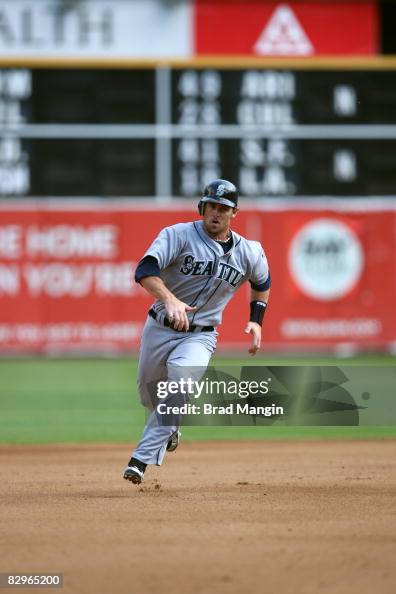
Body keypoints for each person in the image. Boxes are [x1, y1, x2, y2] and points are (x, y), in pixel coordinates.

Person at [123, 179, 271, 484]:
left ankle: (140, 460)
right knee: (149, 398)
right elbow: (144, 270)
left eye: (224, 208)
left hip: (201, 335)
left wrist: (256, 319)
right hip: (159, 328)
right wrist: (169, 298)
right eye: (211, 206)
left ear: (234, 214)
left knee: (179, 385)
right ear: (202, 208)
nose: (216, 213)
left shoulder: (250, 252)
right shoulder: (176, 235)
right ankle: (171, 427)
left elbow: (262, 284)